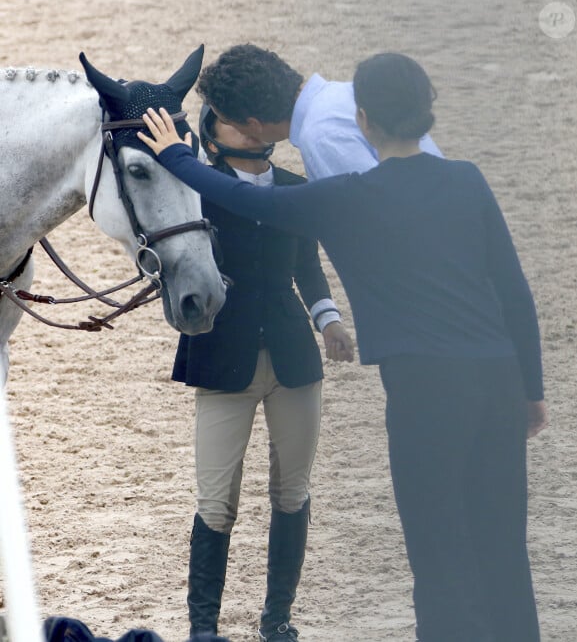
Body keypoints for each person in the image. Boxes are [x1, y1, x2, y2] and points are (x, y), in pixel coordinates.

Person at [138, 51, 547, 642]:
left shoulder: (349, 196)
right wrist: (531, 390)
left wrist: (174, 152)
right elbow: (514, 290)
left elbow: (251, 201)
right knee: (504, 546)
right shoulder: (467, 179)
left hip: (425, 387)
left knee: (438, 552)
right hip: (498, 377)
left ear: (364, 120)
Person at [170, 105, 353, 642]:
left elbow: (308, 267)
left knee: (292, 491)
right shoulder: (198, 190)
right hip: (222, 359)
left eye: (254, 117)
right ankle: (203, 629)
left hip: (294, 359)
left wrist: (330, 320)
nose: (248, 125)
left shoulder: (294, 188)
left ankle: (277, 620)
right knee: (214, 500)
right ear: (211, 133)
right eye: (232, 119)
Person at [194, 43, 443, 181]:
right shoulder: (343, 93)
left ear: (254, 125)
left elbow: (378, 213)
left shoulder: (320, 135)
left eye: (231, 123)